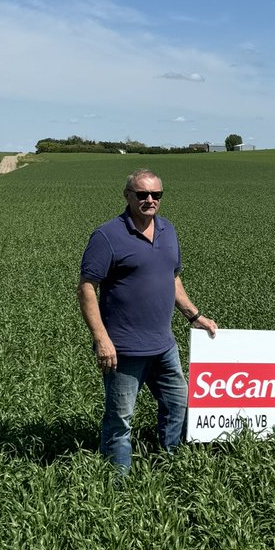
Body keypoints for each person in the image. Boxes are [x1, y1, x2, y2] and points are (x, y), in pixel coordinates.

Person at [77, 169, 218, 471]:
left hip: (163, 345)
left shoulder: (168, 230)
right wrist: (101, 339)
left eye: (156, 195)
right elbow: (87, 288)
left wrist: (195, 316)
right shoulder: (107, 236)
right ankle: (117, 486)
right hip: (123, 350)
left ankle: (170, 462)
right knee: (120, 420)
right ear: (127, 195)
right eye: (142, 194)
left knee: (178, 403)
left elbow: (173, 279)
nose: (150, 200)